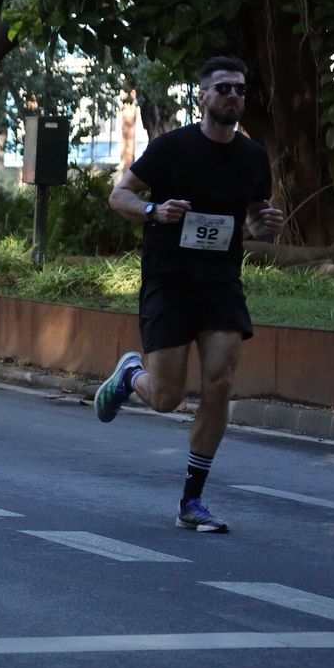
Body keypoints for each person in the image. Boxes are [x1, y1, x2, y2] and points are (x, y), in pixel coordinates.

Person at [94, 55, 284, 534]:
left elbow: (255, 217)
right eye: (223, 88)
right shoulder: (171, 148)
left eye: (240, 89)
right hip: (170, 281)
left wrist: (265, 224)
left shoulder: (253, 156)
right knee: (166, 397)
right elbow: (120, 195)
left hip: (221, 284)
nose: (233, 96)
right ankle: (130, 374)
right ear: (202, 97)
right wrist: (154, 210)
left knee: (219, 384)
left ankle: (192, 500)